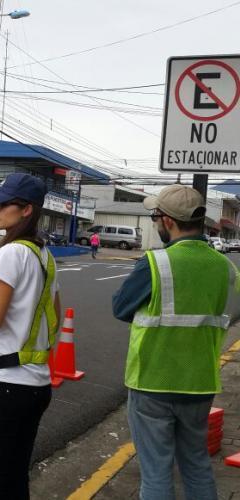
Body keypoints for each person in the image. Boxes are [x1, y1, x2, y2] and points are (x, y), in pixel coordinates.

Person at [112, 185, 236, 500]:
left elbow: (121, 308)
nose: (155, 223)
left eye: (155, 217)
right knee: (196, 464)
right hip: (200, 384)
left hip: (152, 382)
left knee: (155, 473)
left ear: (167, 221)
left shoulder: (155, 263)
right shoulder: (225, 267)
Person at [0, 173, 61, 499]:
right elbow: (55, 317)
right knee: (16, 478)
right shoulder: (44, 255)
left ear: (26, 211)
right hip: (36, 384)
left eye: (4, 204)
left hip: (3, 384)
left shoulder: (11, 253)